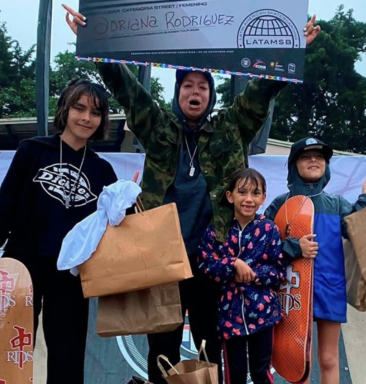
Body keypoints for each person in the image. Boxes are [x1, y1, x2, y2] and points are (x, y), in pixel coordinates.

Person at [62, 5, 320, 383]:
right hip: (162, 258)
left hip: (212, 259)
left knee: (208, 343)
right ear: (177, 94)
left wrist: (290, 49)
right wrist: (95, 38)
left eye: (202, 86)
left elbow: (262, 89)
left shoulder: (232, 126)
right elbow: (129, 92)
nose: (194, 91)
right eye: (187, 85)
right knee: (161, 347)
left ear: (210, 95)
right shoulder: (158, 128)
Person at [0, 78, 118, 384]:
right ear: (65, 109)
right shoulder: (32, 151)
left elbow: (115, 229)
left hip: (72, 273)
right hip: (22, 264)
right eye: (79, 108)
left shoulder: (103, 171)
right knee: (10, 351)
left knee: (68, 355)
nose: (86, 118)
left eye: (95, 112)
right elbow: (3, 209)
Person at [264, 138, 366, 384]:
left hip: (329, 287)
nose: (314, 160)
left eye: (320, 156)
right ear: (294, 164)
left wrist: (365, 199)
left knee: (328, 359)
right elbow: (264, 248)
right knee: (299, 359)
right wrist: (294, 247)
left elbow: (358, 234)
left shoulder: (336, 204)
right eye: (306, 156)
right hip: (291, 289)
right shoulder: (279, 204)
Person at [199, 168, 285, 384]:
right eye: (242, 192)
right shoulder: (216, 230)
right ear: (230, 196)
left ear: (264, 197)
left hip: (263, 315)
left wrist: (253, 274)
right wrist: (233, 264)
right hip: (229, 316)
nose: (248, 199)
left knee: (261, 373)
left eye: (255, 193)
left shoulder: (269, 229)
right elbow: (205, 265)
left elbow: (278, 272)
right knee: (234, 375)